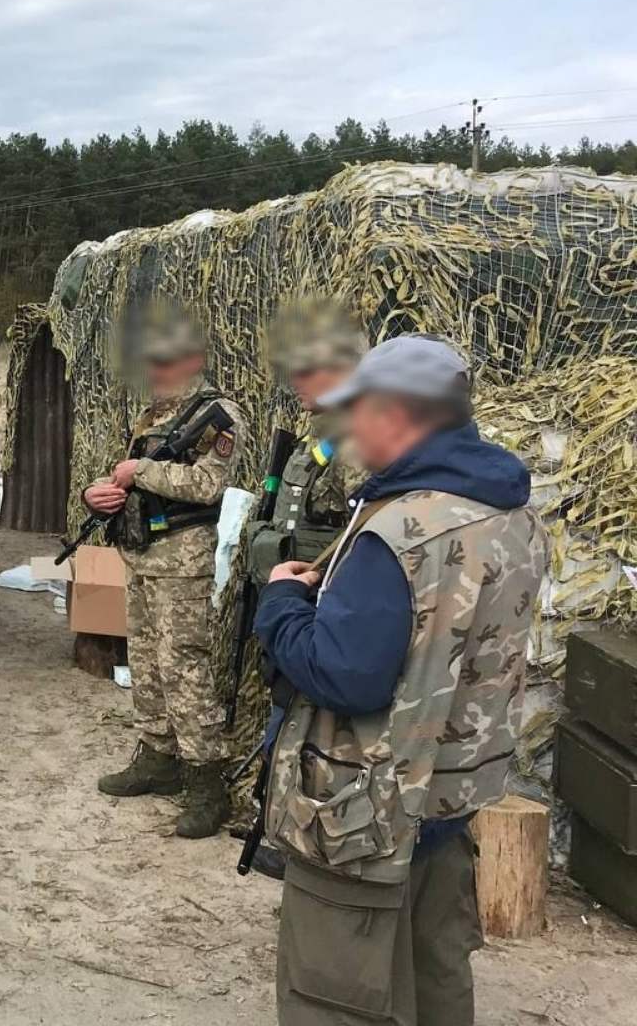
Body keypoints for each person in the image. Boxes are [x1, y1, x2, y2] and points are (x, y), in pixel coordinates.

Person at [254, 336, 545, 1026]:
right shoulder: (513, 512)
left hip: (364, 810)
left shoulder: (400, 531)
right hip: (449, 796)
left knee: (335, 991)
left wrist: (278, 607)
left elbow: (345, 675)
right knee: (436, 971)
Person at [90, 314, 247, 838]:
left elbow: (207, 485)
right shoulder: (152, 414)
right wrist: (101, 492)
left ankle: (207, 783)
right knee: (147, 662)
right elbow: (125, 471)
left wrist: (141, 472)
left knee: (185, 667)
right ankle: (157, 757)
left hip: (183, 563)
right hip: (142, 554)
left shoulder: (219, 416)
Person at [234, 309, 369, 876]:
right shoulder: (322, 436)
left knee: (306, 728)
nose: (294, 379)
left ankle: (302, 846)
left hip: (320, 611)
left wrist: (314, 580)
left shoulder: (356, 441)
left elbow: (364, 532)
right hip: (292, 603)